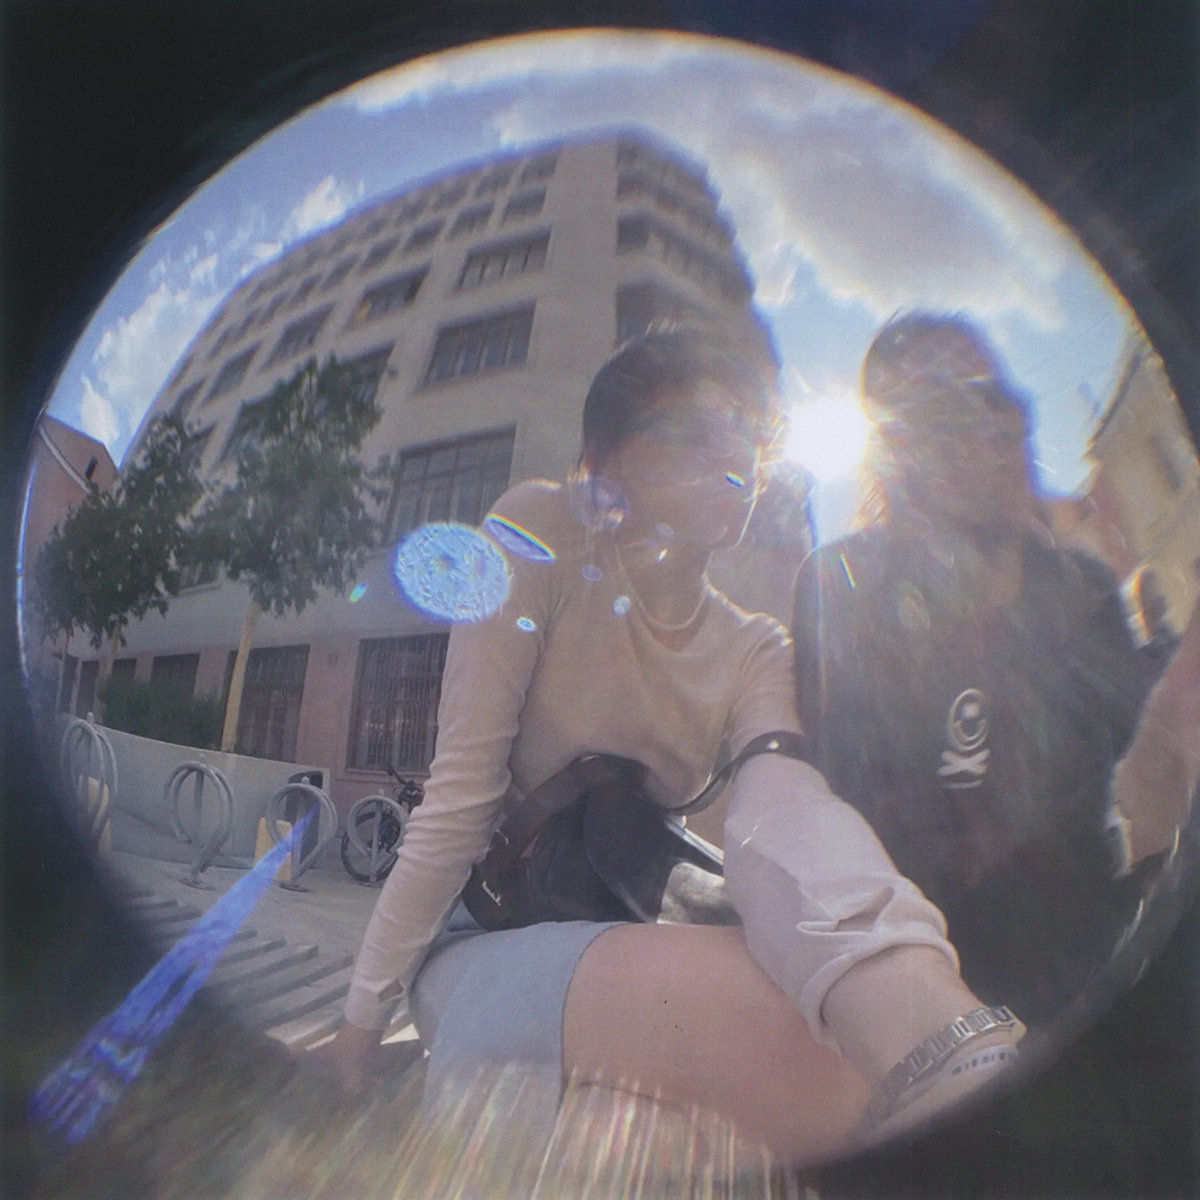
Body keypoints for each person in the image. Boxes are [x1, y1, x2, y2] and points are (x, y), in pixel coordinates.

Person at [326, 326, 1025, 1164]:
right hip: (484, 935)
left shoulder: (756, 648)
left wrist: (898, 979)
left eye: (747, 430)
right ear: (602, 463)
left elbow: (782, 810)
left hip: (625, 935)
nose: (734, 451)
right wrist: (356, 1035)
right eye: (693, 427)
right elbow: (459, 800)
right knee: (821, 1052)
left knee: (714, 1108)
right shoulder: (536, 531)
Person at [793, 312, 1200, 1028]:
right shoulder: (845, 586)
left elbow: (1145, 761)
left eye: (1002, 400)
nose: (997, 428)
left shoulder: (1077, 588)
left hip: (1112, 958)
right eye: (947, 409)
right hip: (943, 1007)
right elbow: (861, 837)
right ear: (897, 453)